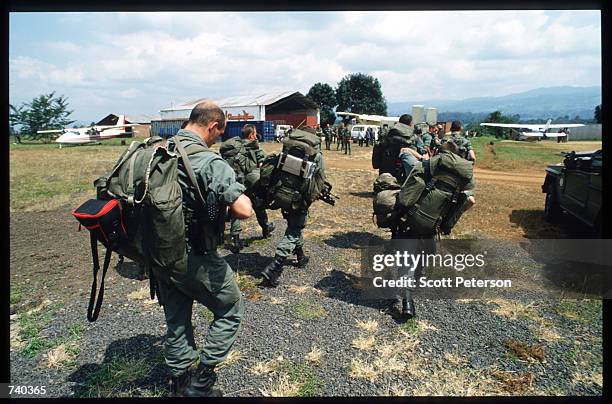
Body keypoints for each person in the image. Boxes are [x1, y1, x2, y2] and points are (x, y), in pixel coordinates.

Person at [153, 101, 253, 397]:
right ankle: (201, 382)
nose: (217, 140)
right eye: (218, 134)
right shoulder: (208, 161)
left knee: (177, 317)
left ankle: (180, 381)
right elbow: (244, 209)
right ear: (213, 126)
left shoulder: (159, 150)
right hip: (192, 254)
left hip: (158, 252)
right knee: (230, 307)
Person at [391, 140, 475, 319]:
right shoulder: (466, 175)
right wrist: (447, 223)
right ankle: (417, 279)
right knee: (425, 254)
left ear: (438, 152)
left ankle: (407, 300)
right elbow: (469, 201)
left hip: (414, 218)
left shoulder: (428, 164)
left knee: (407, 257)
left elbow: (407, 194)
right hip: (435, 224)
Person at [259, 127, 328, 287]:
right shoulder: (316, 155)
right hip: (299, 198)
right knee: (294, 229)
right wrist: (311, 197)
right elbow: (320, 180)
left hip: (280, 192)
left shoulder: (288, 147)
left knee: (294, 224)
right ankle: (273, 268)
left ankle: (300, 256)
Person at [225, 124, 275, 253]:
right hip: (251, 182)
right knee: (259, 205)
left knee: (236, 207)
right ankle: (265, 229)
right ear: (251, 134)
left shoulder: (234, 147)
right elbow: (262, 164)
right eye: (255, 132)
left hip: (235, 180)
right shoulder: (254, 146)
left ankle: (235, 238)